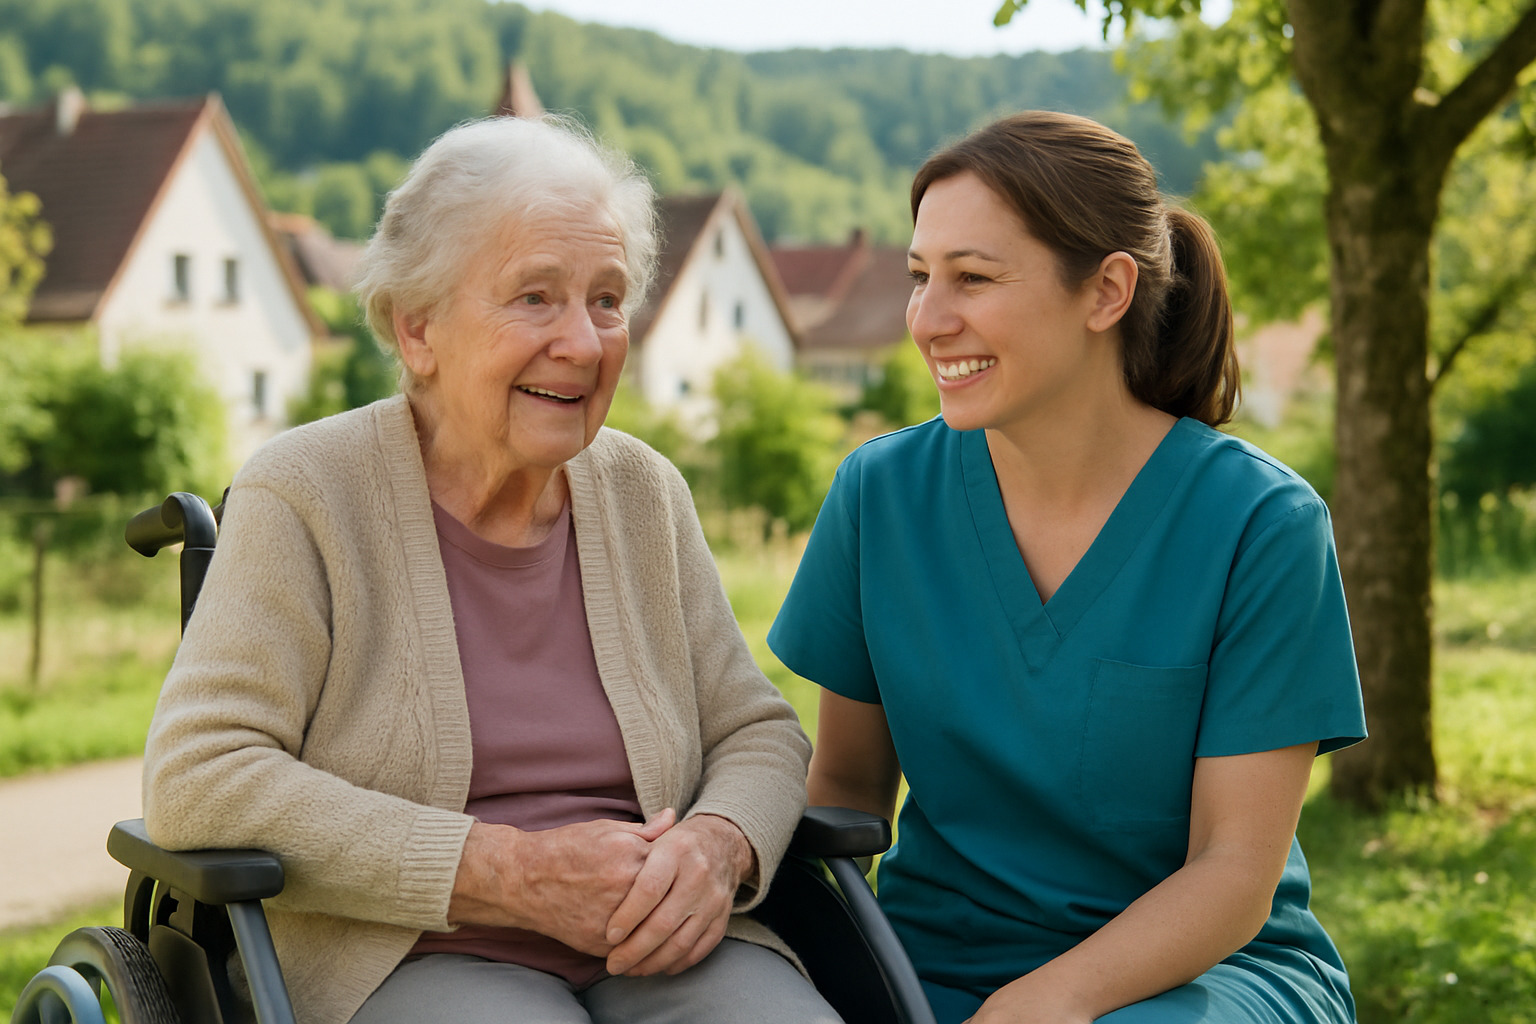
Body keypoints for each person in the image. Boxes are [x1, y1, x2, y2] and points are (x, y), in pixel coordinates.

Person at [143, 115, 840, 1024]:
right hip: (408, 956)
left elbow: (758, 731)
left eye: (606, 299)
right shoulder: (307, 490)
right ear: (418, 328)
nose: (585, 344)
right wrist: (509, 874)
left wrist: (719, 843)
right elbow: (202, 773)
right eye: (535, 298)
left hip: (662, 945)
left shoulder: (643, 492)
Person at [767, 110, 1367, 1024]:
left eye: (973, 277)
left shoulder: (1262, 526)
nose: (929, 320)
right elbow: (845, 795)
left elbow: (1235, 873)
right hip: (929, 969)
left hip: (1203, 978)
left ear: (1107, 291)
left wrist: (1053, 1000)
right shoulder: (879, 494)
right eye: (921, 277)